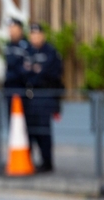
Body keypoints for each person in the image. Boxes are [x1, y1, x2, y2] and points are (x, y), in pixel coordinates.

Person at [23, 23, 63, 173]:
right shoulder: (27, 51)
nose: (35, 37)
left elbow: (51, 73)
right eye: (32, 34)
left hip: (45, 96)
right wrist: (35, 71)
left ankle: (47, 162)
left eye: (37, 34)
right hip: (29, 97)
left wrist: (35, 72)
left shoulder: (50, 51)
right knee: (31, 131)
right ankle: (31, 161)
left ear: (43, 36)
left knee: (43, 131)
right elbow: (22, 71)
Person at [3, 18, 29, 118]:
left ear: (20, 30)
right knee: (12, 119)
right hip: (9, 88)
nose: (11, 31)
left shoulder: (25, 46)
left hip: (22, 88)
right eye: (10, 28)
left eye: (14, 28)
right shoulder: (8, 45)